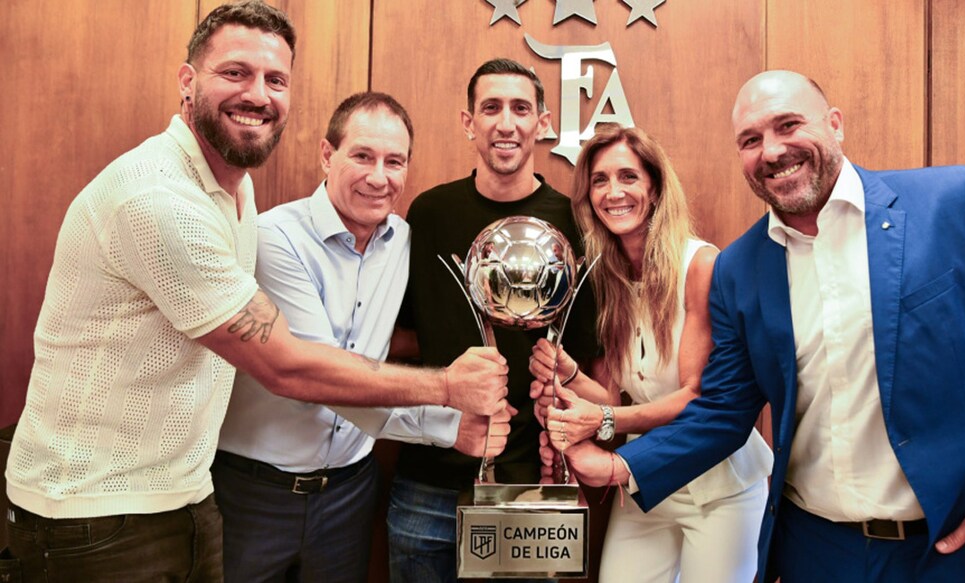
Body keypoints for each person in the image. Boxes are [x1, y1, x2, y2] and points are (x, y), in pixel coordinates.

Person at [3, 3, 508, 581]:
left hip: (188, 497)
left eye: (276, 80)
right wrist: (447, 391)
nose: (258, 94)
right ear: (187, 81)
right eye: (235, 72)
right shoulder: (161, 201)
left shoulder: (235, 194)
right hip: (96, 512)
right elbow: (289, 367)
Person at [549, 70, 965, 583]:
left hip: (950, 547)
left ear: (835, 123)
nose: (773, 150)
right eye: (751, 139)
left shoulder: (957, 202)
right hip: (815, 551)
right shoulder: (742, 267)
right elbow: (723, 411)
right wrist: (617, 468)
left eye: (788, 125)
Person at [212, 92, 515, 583]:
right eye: (362, 156)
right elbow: (319, 375)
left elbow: (396, 338)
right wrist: (446, 423)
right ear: (327, 155)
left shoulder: (406, 243)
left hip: (350, 493)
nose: (379, 177)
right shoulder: (275, 239)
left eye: (394, 161)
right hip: (255, 492)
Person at [528, 123, 774, 582]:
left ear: (656, 189)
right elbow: (614, 397)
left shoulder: (700, 265)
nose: (612, 192)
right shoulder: (606, 279)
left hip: (719, 488)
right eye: (599, 180)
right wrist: (570, 373)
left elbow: (695, 397)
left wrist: (602, 423)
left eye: (628, 177)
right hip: (647, 482)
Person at [387, 58, 598, 583]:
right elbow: (404, 335)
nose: (506, 123)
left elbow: (591, 354)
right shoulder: (429, 213)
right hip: (427, 480)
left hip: (532, 480)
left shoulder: (574, 221)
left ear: (543, 123)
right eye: (491, 108)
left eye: (521, 108)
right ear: (468, 122)